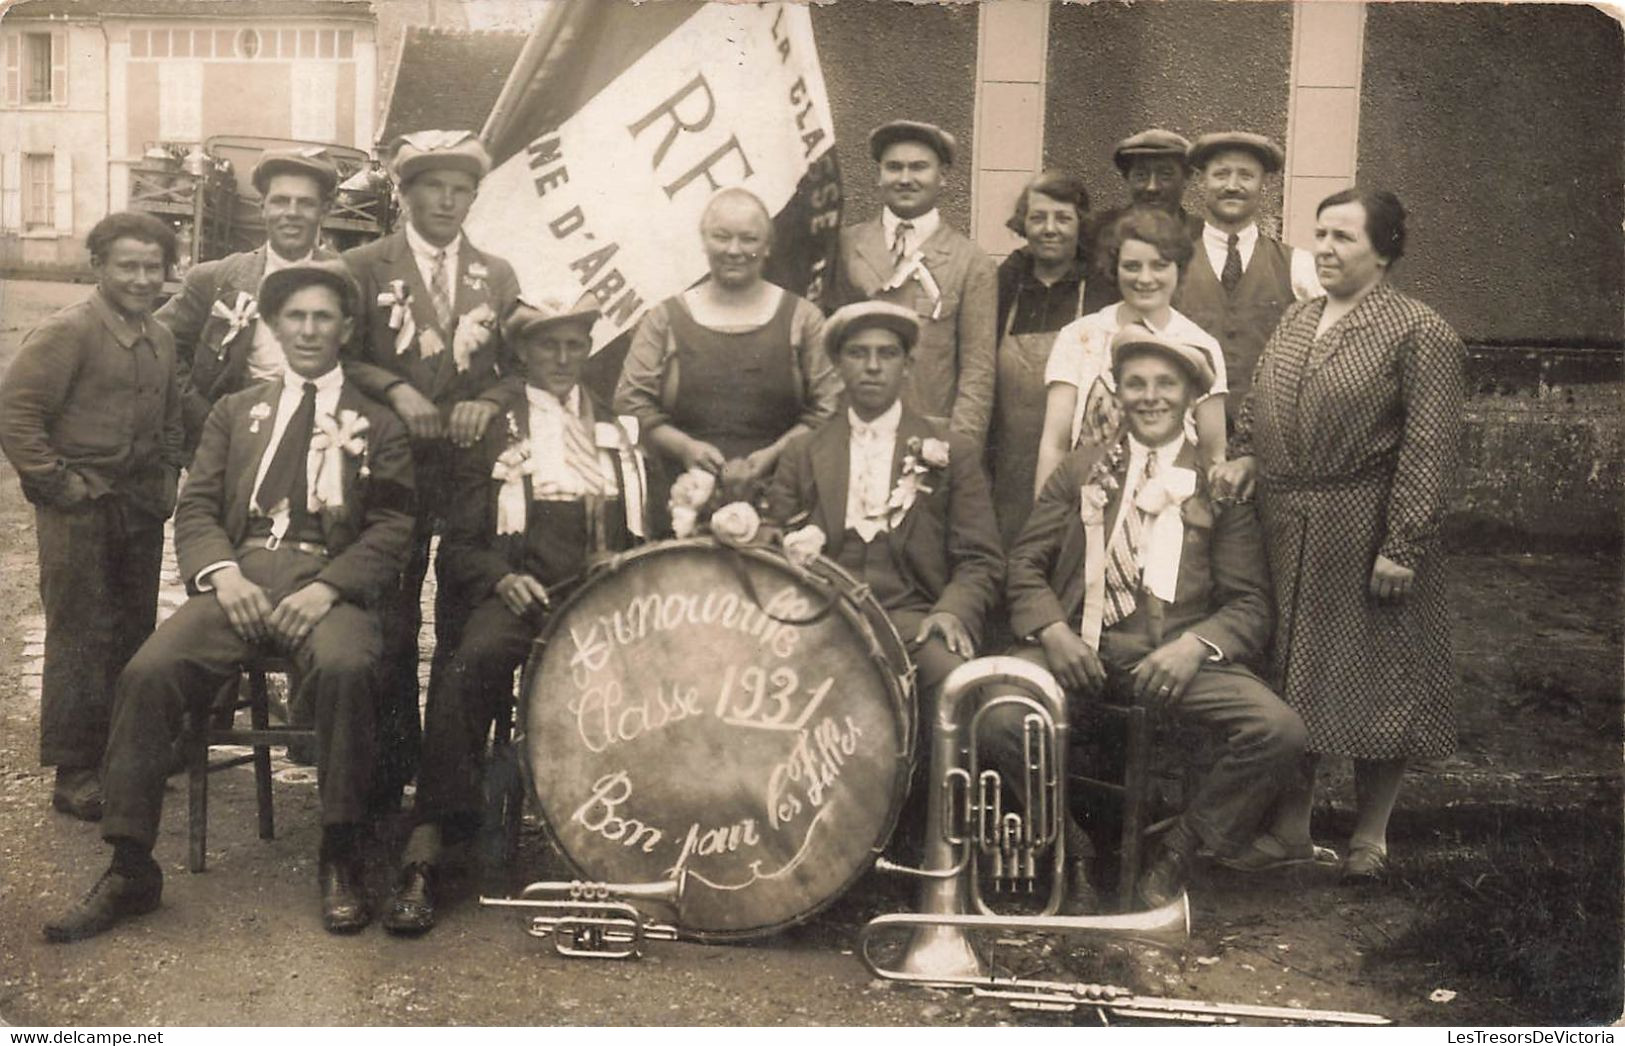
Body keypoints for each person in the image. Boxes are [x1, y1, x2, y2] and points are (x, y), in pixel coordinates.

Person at [41, 260, 416, 942]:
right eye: (295, 316)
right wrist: (222, 574)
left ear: (346, 328)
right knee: (149, 672)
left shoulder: (378, 423)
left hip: (329, 589)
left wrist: (331, 586)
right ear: (274, 326)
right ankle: (131, 867)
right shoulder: (236, 412)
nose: (308, 329)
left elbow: (394, 523)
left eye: (323, 316)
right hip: (240, 582)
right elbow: (199, 506)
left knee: (346, 669)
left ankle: (341, 851)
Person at [1000, 327, 1311, 911]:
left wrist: (1194, 646)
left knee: (1278, 730)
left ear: (1192, 395)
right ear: (1116, 392)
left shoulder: (1219, 486)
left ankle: (1180, 852)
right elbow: (1023, 564)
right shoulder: (1080, 469)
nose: (1150, 397)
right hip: (1081, 648)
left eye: (1166, 384)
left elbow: (1250, 603)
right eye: (1135, 383)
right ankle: (1069, 846)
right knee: (998, 711)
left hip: (1174, 659)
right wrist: (1053, 631)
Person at [1212, 188, 1465, 881]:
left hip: (1365, 531)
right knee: (1292, 678)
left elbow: (1429, 444)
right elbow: (1258, 408)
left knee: (1379, 681)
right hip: (1286, 528)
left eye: (1342, 238)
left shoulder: (1419, 331)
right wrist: (1241, 453)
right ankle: (1291, 829)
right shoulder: (1297, 319)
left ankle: (1369, 839)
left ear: (1382, 251)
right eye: (1318, 234)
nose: (1323, 249)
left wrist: (1401, 544)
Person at [385, 295, 648, 935]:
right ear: (524, 352)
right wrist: (503, 577)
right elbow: (462, 545)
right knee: (470, 665)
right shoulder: (494, 426)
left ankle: (623, 843)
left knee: (652, 675)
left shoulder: (616, 426)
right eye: (548, 346)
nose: (562, 358)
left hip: (600, 603)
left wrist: (625, 566)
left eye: (574, 345)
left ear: (588, 351)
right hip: (521, 590)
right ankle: (430, 845)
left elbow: (647, 534)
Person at [340, 129, 522, 809]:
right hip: (389, 466)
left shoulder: (495, 274)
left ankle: (451, 782)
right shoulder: (363, 266)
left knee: (461, 617)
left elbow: (516, 370)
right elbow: (341, 357)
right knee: (390, 614)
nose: (447, 201)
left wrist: (486, 401)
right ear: (406, 193)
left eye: (461, 190)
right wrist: (394, 391)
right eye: (433, 187)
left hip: (469, 470)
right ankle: (389, 769)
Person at [0, 212, 185, 821]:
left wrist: (165, 480)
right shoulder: (68, 332)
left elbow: (172, 420)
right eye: (127, 265)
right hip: (79, 508)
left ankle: (123, 759)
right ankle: (75, 771)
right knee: (81, 633)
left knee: (134, 629)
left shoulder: (159, 335)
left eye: (151, 267)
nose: (140, 278)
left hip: (137, 508)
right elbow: (17, 417)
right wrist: (59, 484)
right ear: (98, 267)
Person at [764, 301, 1003, 720]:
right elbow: (773, 541)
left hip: (913, 623)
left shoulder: (952, 451)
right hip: (822, 621)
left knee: (954, 684)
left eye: (887, 354)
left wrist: (951, 611)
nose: (872, 366)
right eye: (857, 353)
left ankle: (932, 788)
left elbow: (979, 560)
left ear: (907, 365)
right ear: (837, 364)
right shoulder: (804, 452)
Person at [614, 186, 839, 511]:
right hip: (681, 498)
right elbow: (630, 404)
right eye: (721, 236)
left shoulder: (803, 319)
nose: (734, 250)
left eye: (749, 239)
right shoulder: (664, 319)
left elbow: (829, 408)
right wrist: (684, 448)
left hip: (783, 494)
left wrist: (774, 456)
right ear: (704, 241)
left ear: (767, 247)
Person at [1034, 208, 1228, 496]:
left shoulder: (1201, 344)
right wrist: (1045, 522)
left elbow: (1213, 453)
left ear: (1179, 269)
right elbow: (1055, 444)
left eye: (1160, 265)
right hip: (1089, 503)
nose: (1145, 278)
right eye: (1132, 266)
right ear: (1115, 268)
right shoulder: (1078, 337)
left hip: (1171, 508)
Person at [158, 149, 342, 452]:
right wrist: (202, 414)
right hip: (233, 441)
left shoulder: (348, 279)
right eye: (280, 201)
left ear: (324, 210)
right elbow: (160, 344)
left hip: (320, 440)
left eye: (306, 203)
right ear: (262, 207)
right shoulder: (216, 277)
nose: (292, 213)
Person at [832, 120, 996, 443]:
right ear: (879, 176)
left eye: (919, 167)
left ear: (943, 176)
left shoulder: (972, 262)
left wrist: (957, 451)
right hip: (850, 434)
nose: (905, 179)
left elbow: (978, 372)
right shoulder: (844, 248)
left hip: (927, 441)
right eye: (894, 167)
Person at [988, 169, 1116, 548]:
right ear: (1022, 224)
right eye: (1038, 217)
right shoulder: (1004, 283)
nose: (1050, 229)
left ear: (1081, 225)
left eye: (1063, 218)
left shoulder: (1100, 289)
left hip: (1074, 455)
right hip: (1005, 458)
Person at [1178, 132, 1321, 417]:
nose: (1232, 186)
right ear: (1201, 182)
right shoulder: (1172, 264)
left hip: (1266, 437)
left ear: (1263, 185)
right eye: (1220, 174)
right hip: (1190, 436)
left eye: (1246, 175)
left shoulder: (1298, 265)